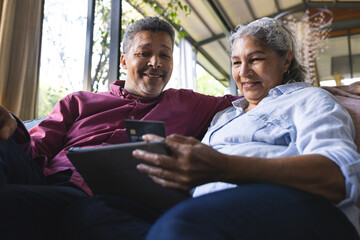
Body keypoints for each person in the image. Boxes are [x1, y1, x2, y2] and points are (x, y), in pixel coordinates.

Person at [0, 17, 239, 240]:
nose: (155, 63)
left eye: (164, 56)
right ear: (125, 60)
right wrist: (10, 125)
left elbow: (247, 94)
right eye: (144, 53)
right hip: (45, 178)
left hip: (94, 199)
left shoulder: (189, 104)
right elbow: (34, 148)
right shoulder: (79, 101)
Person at [133, 17, 360, 240]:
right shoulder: (224, 116)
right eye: (236, 62)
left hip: (296, 206)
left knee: (180, 225)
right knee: (106, 209)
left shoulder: (308, 99)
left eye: (256, 59)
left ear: (286, 61)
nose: (244, 73)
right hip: (205, 206)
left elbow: (339, 175)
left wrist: (223, 166)